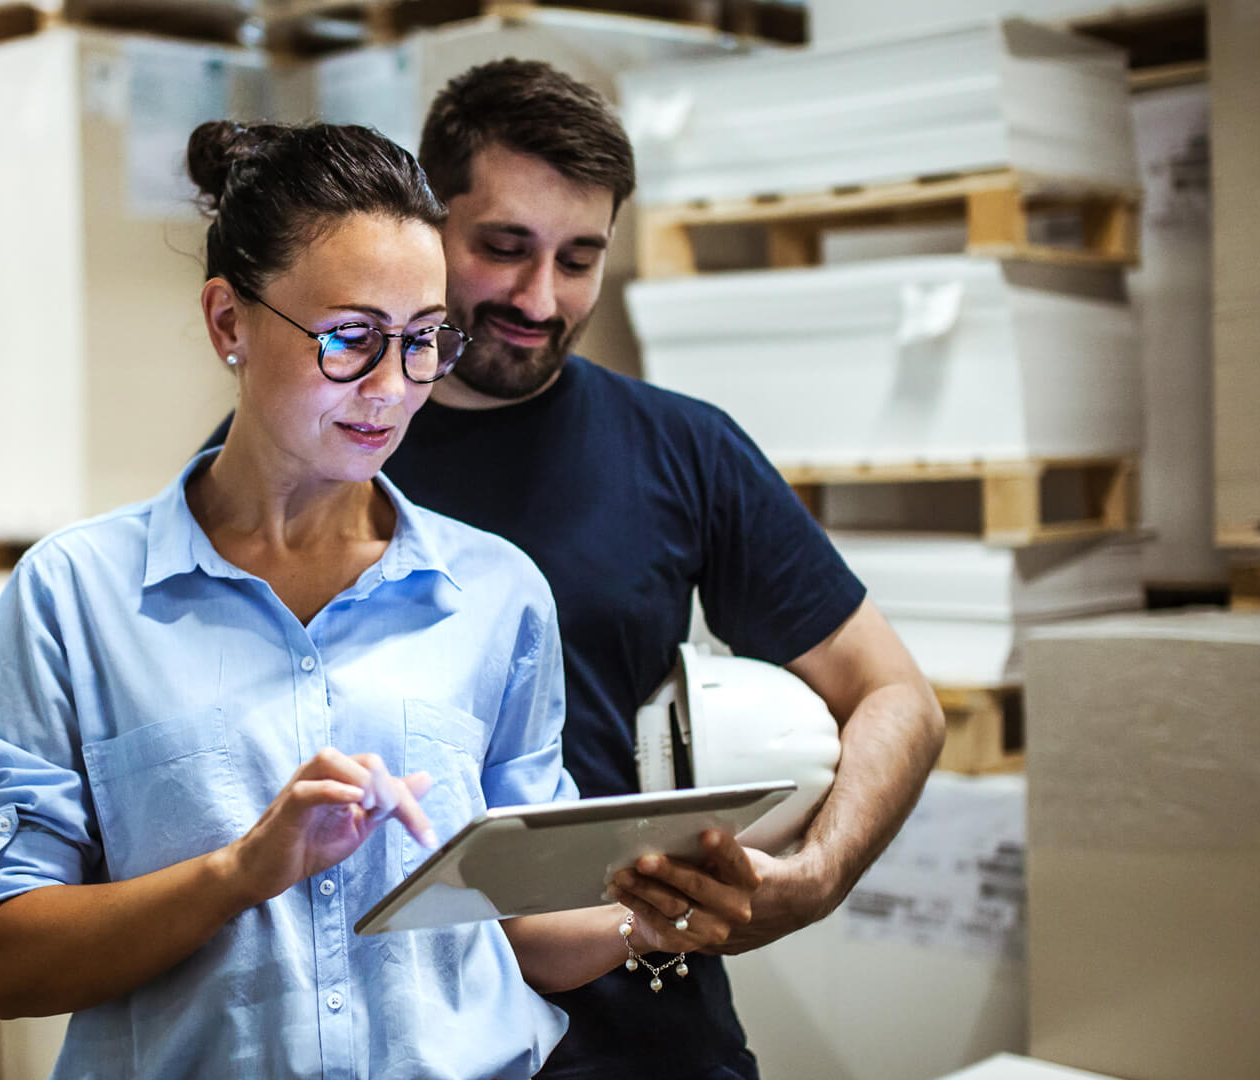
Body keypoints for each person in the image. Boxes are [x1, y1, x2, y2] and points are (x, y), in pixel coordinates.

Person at [0, 122, 735, 1079]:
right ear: (229, 322)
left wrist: (655, 912)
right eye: (350, 340)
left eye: (422, 342)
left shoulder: (495, 595)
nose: (392, 390)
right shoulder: (77, 597)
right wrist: (238, 874)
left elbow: (520, 926)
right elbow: (4, 960)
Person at [208, 61, 948, 1079]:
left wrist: (814, 877)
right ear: (430, 223)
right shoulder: (312, 442)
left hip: (645, 1037)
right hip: (381, 1043)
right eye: (504, 249)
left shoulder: (680, 450)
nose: (538, 297)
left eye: (579, 259)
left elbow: (896, 695)